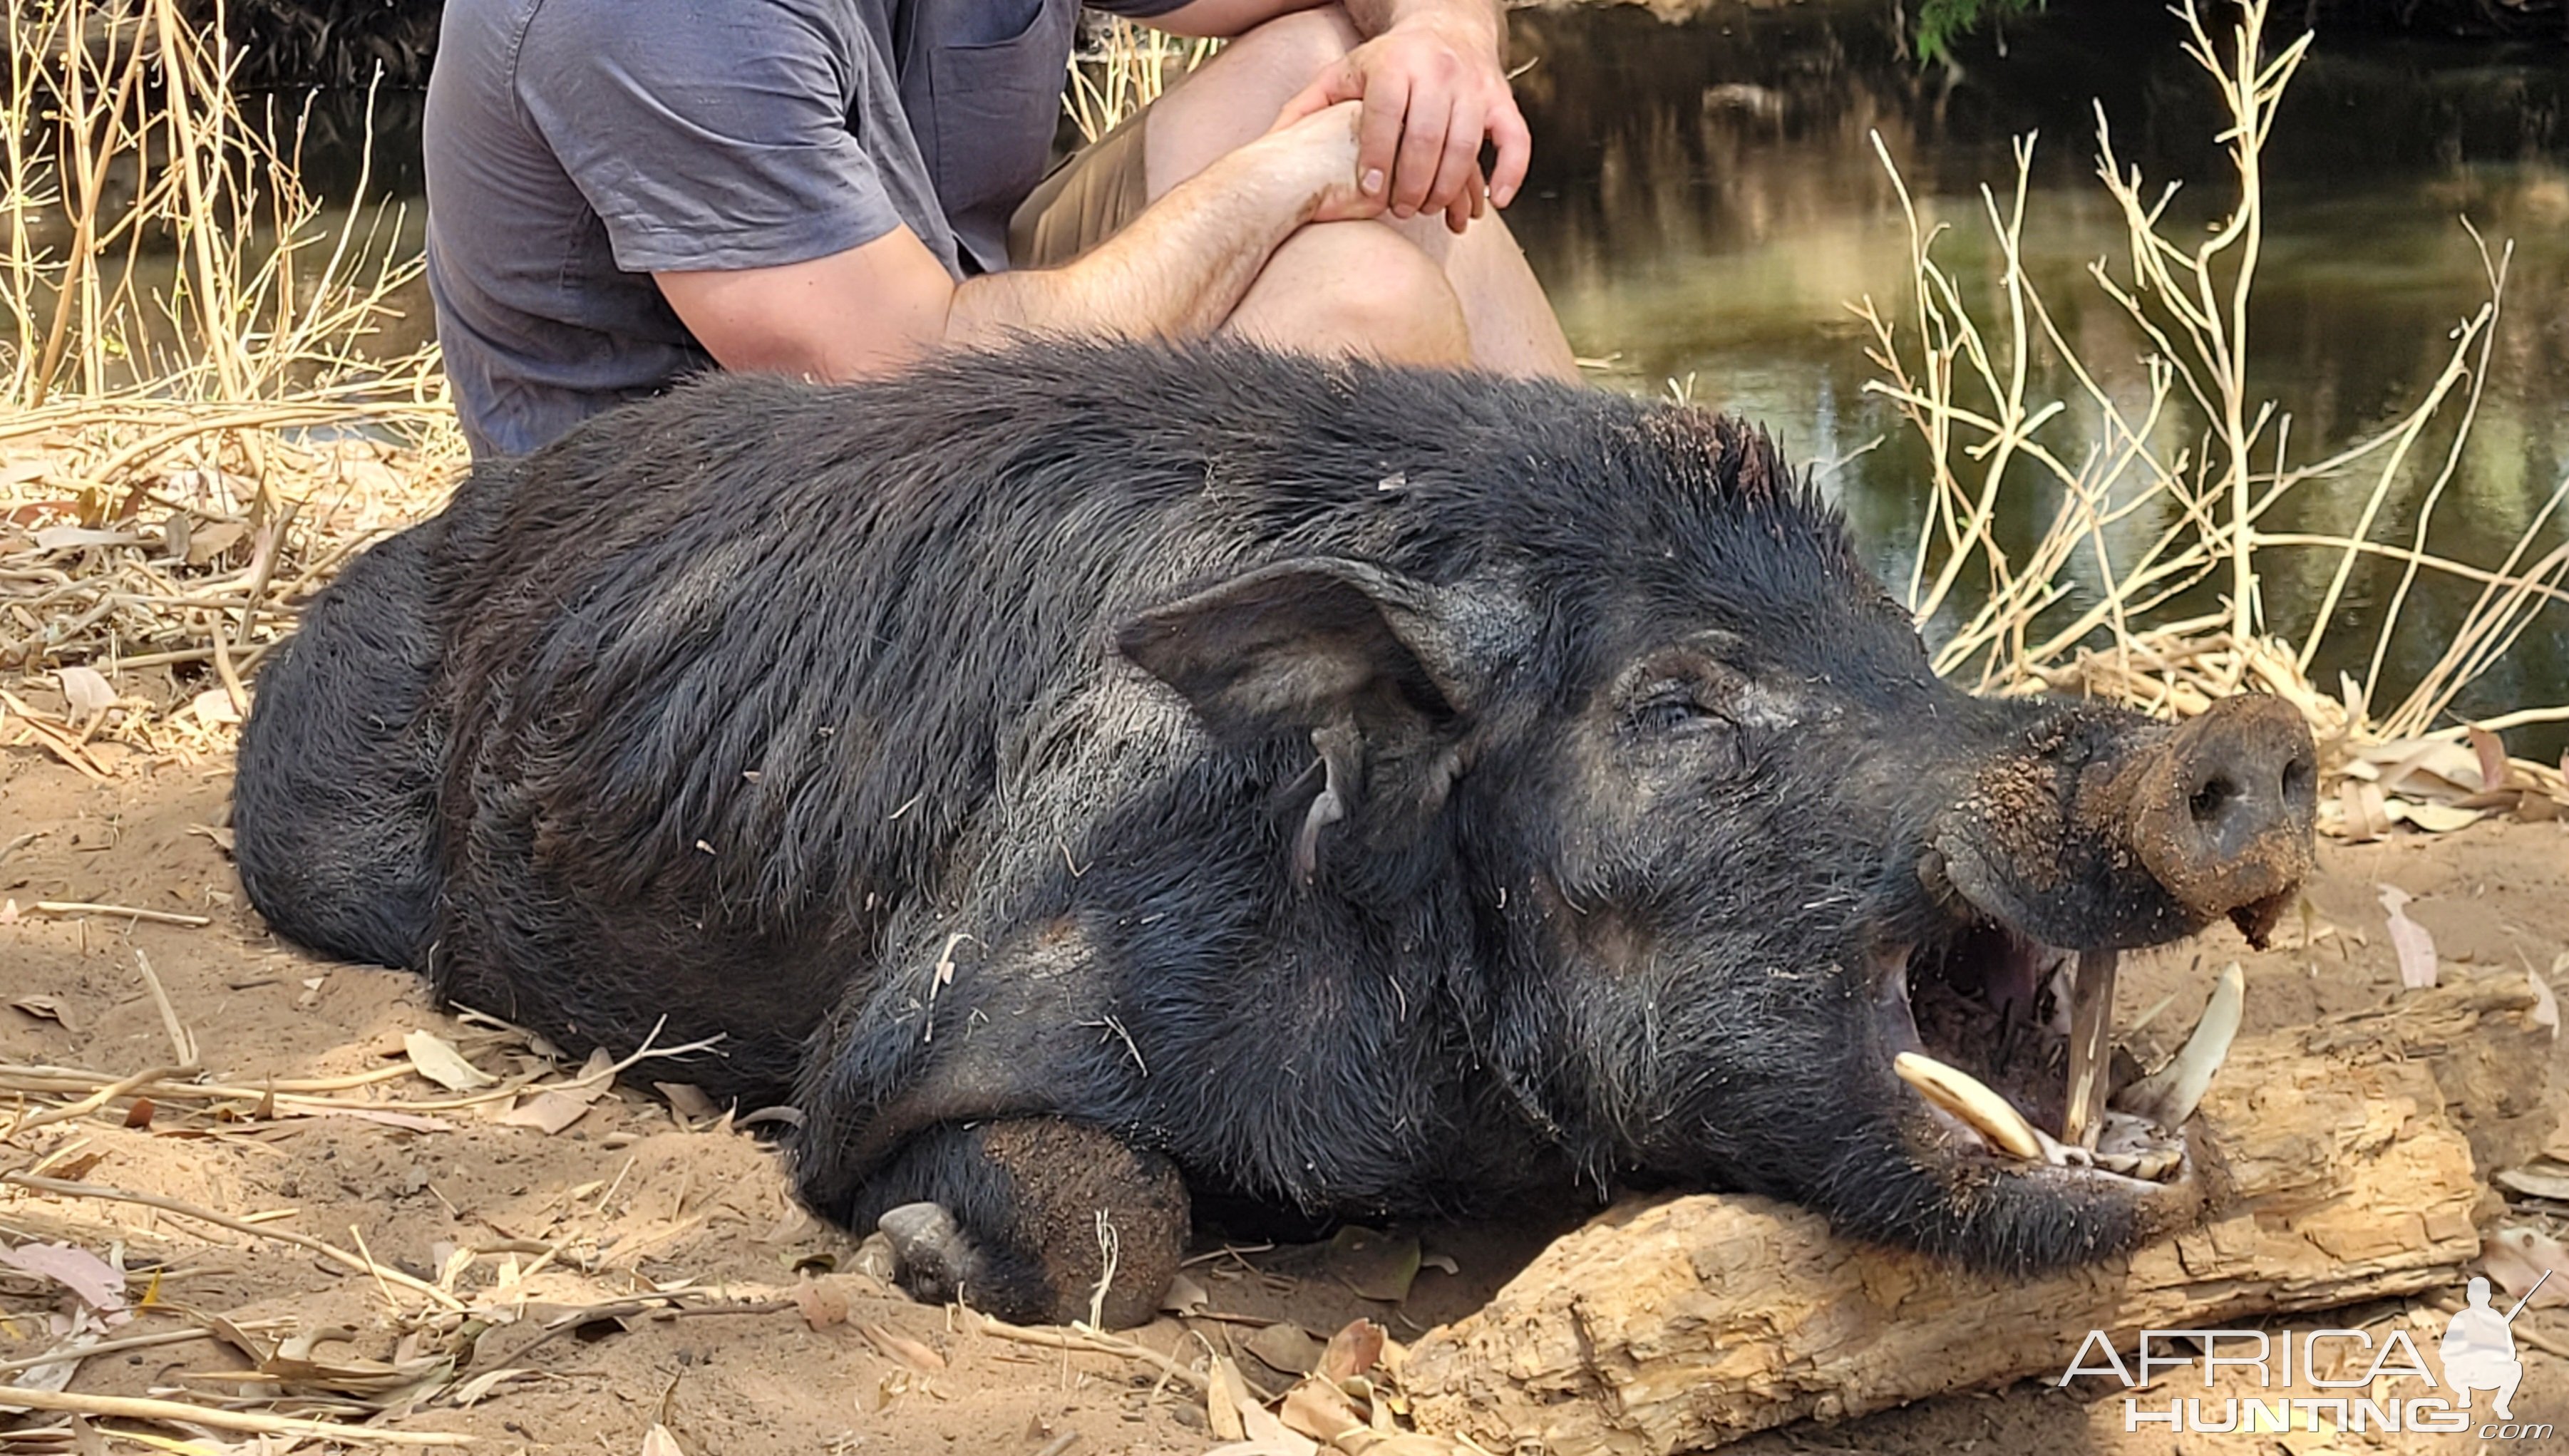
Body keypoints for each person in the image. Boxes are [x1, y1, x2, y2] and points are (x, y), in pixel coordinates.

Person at [422, 0, 1578, 460]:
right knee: (1360, 306)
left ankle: (1635, 543)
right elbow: (905, 380)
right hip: (723, 537)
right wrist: (1289, 176)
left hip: (959, 324)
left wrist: (1443, 41)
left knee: (1343, 69)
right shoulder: (655, 15)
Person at [2439, 1275, 2523, 1420]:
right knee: (2451, 1368)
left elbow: (2511, 1352)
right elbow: (2446, 1351)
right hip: (2466, 1372)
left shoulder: (2497, 1319)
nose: (2479, 1298)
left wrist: (2495, 1354)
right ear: (2469, 1296)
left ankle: (2501, 1404)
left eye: (2482, 1294)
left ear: (2489, 1296)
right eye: (2476, 1294)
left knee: (2516, 1368)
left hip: (2491, 1371)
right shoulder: (2461, 1319)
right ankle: (2464, 1395)